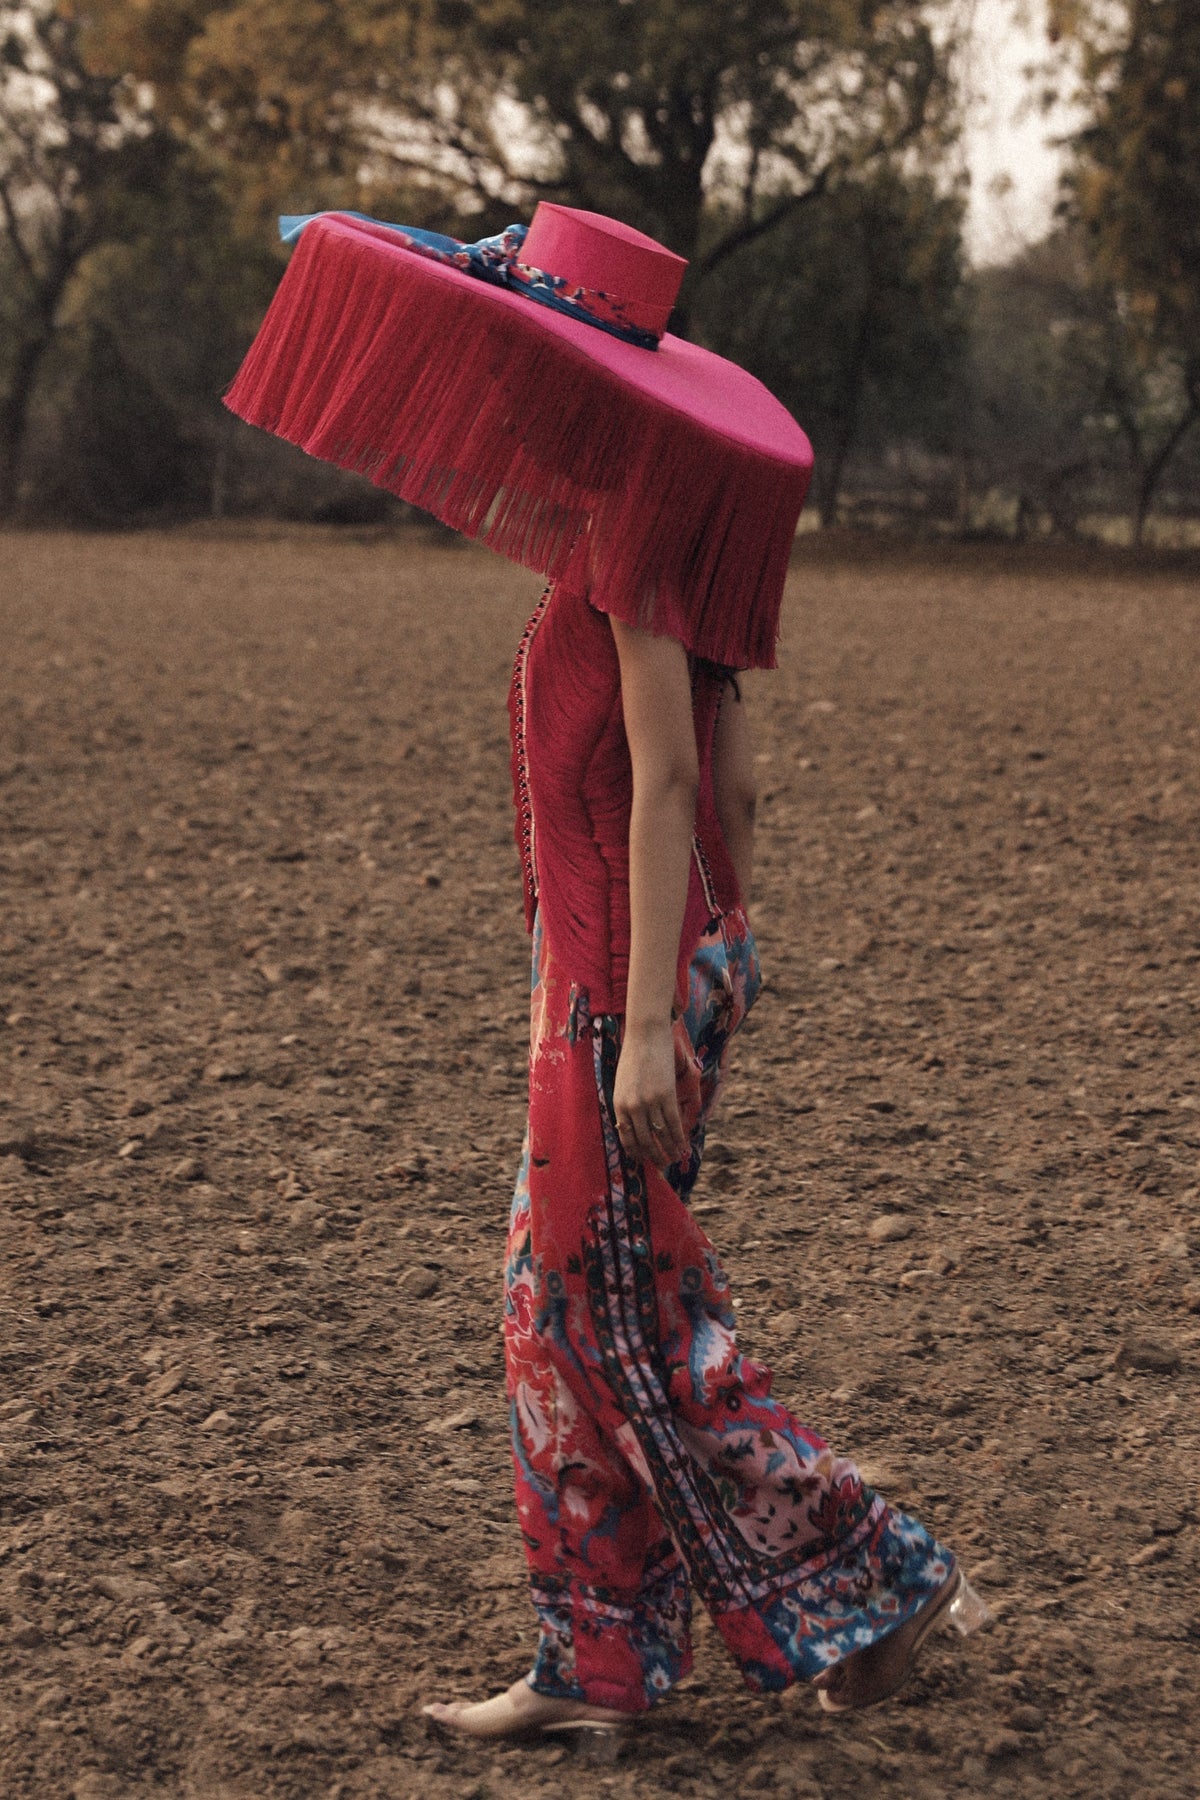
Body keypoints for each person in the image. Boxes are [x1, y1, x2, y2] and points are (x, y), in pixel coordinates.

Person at [224, 202, 988, 1740]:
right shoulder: (647, 532)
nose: (511, 400)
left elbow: (664, 784)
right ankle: (603, 1666)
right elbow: (737, 785)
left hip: (611, 985)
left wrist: (648, 1025)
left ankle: (876, 1581)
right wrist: (724, 956)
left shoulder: (637, 543)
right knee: (561, 1312)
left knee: (609, 1314)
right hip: (624, 966)